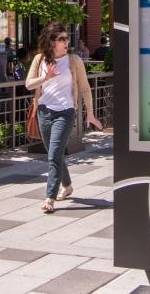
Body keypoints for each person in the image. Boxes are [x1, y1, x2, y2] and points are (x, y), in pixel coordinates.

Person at [24, 21, 102, 214]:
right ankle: (67, 186)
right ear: (51, 41)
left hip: (65, 112)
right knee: (55, 154)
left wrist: (90, 113)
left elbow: (84, 88)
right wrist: (45, 77)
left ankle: (50, 197)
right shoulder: (39, 59)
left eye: (67, 38)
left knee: (53, 154)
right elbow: (28, 85)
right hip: (43, 111)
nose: (66, 41)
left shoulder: (74, 61)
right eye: (61, 39)